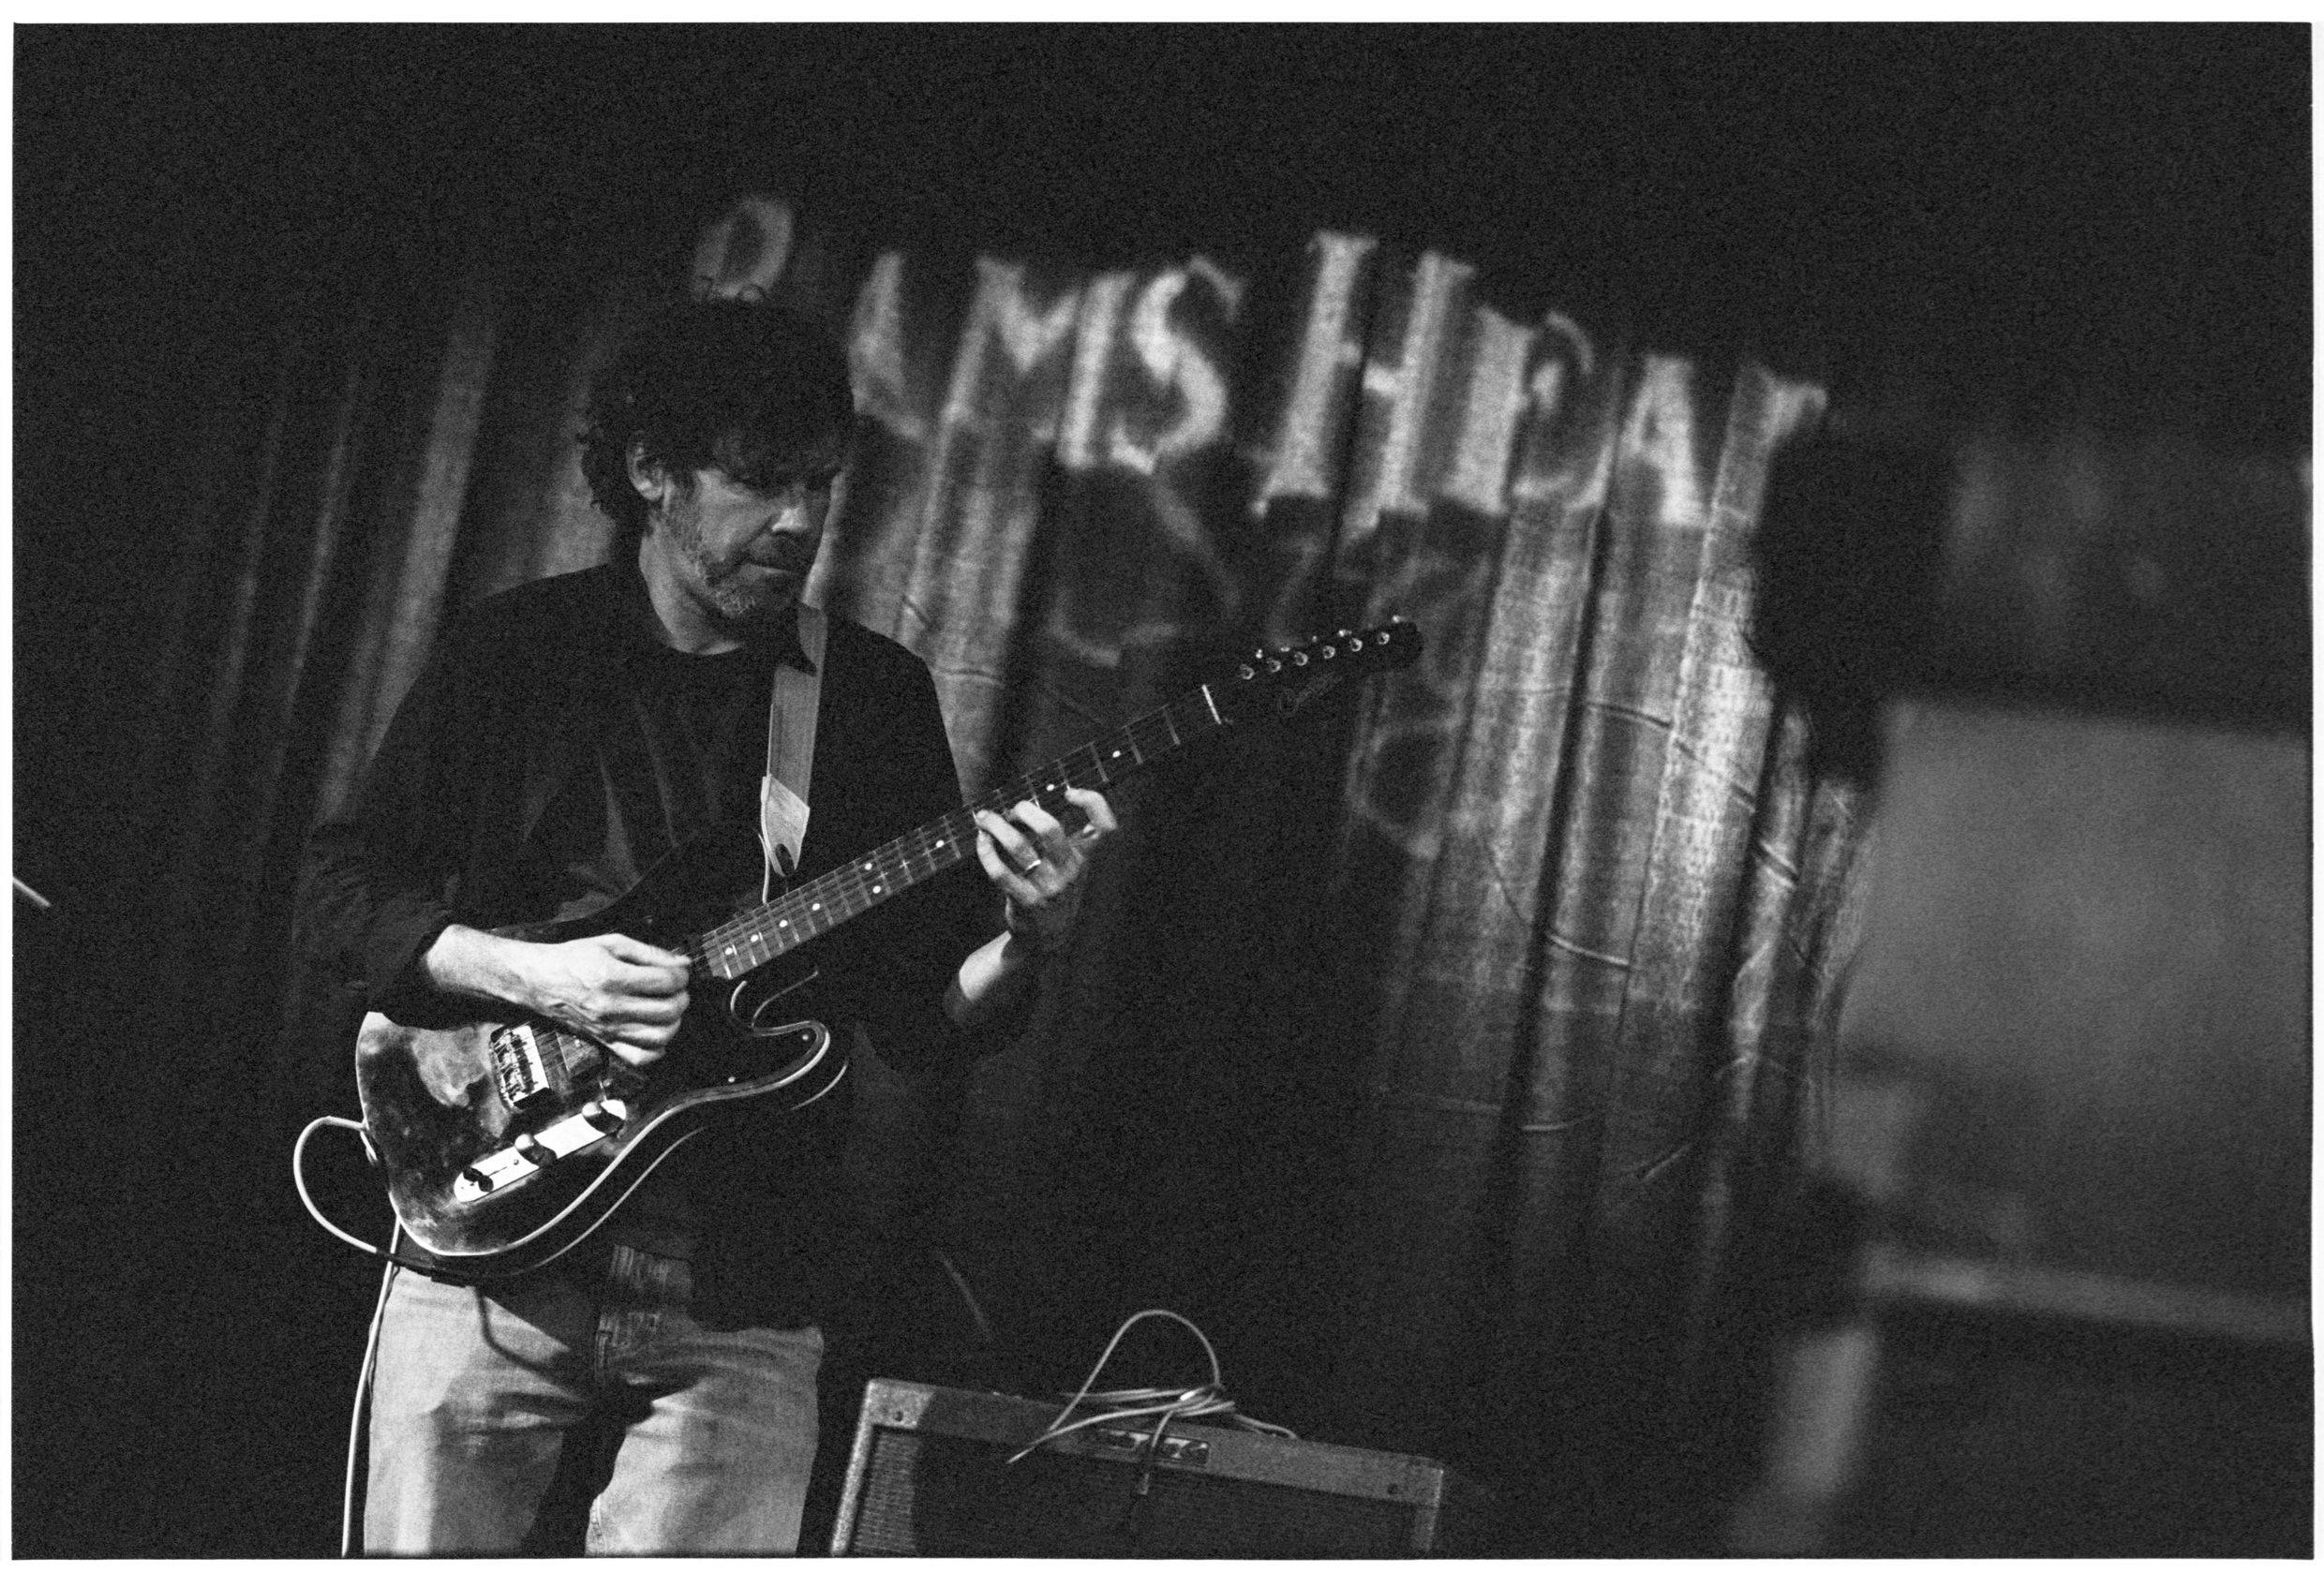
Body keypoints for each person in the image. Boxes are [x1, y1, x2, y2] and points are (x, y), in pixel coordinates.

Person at [295, 294, 1115, 1554]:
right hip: (492, 1251)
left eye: (820, 486)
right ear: (652, 472)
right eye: (758, 482)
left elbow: (923, 1021)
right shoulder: (519, 651)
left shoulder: (869, 699)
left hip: (742, 1282)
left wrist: (1025, 938)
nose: (799, 522)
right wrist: (539, 977)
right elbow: (340, 893)